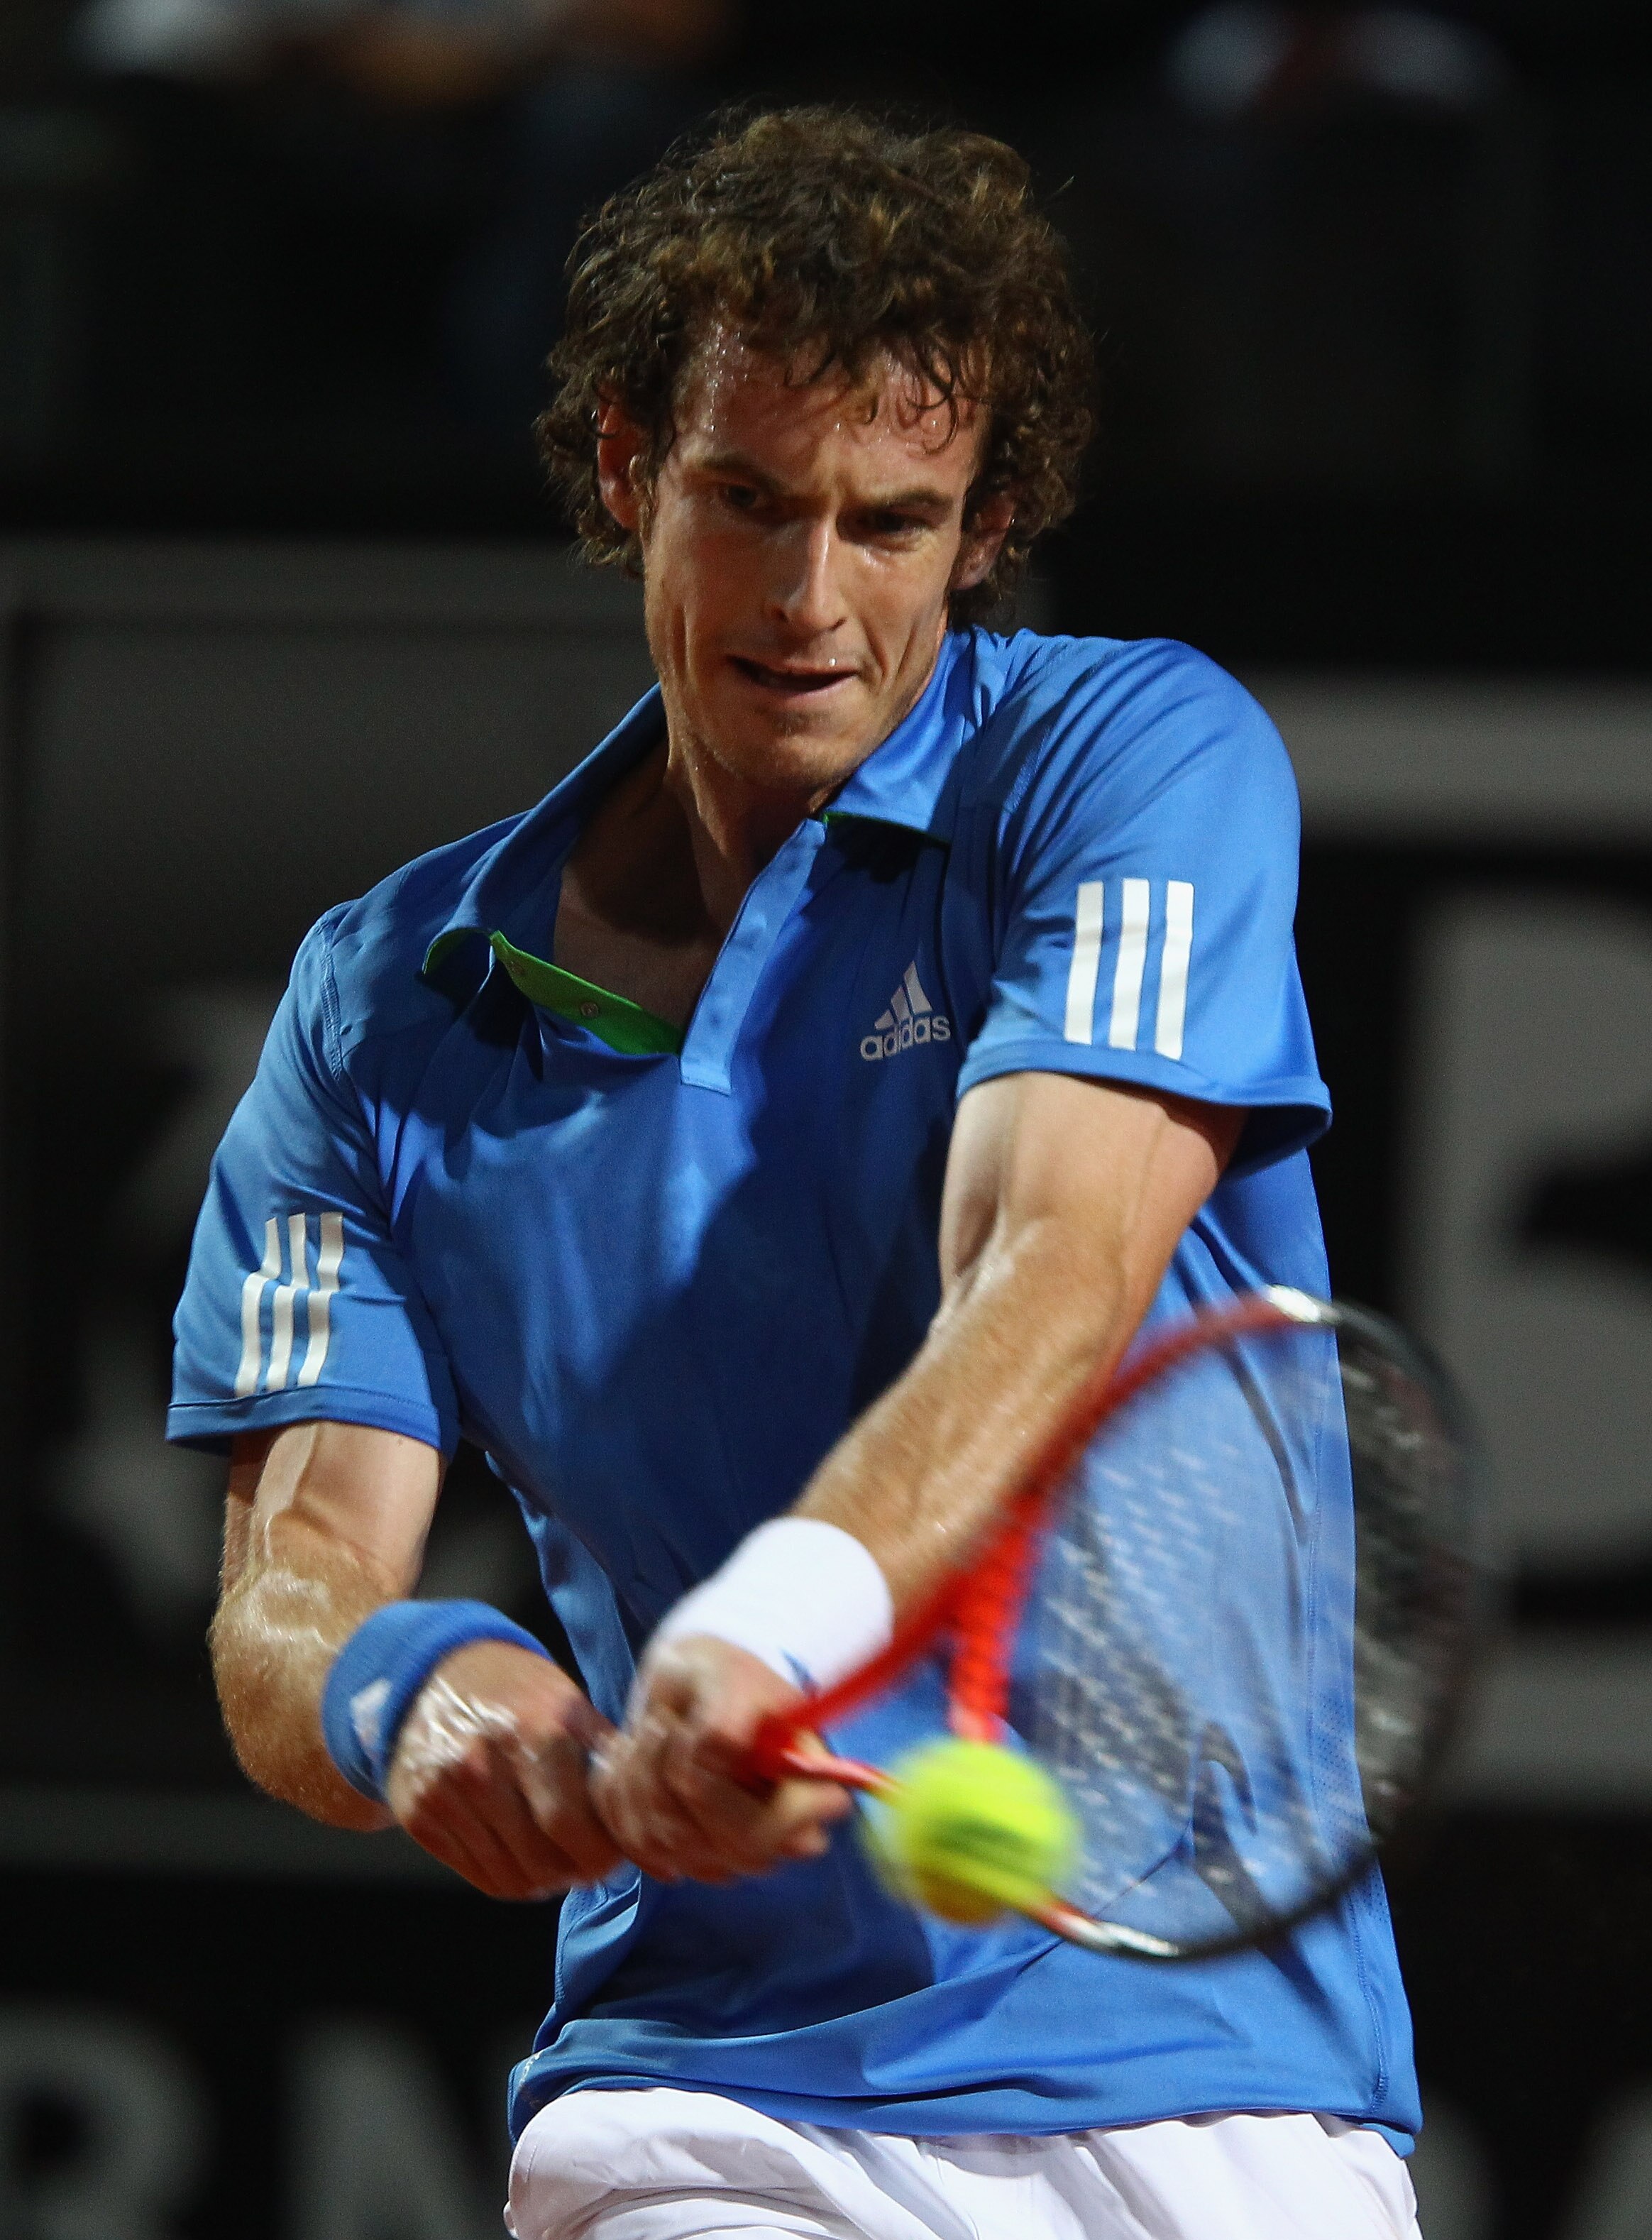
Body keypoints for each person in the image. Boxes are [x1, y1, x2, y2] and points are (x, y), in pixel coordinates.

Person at [171, 106, 1423, 2240]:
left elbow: (1051, 1266)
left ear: (985, 526)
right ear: (620, 468)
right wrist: (430, 1706)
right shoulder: (378, 1008)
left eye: (891, 521)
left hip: (1217, 2095)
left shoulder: (1129, 762)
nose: (809, 598)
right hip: (709, 2110)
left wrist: (771, 1623)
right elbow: (294, 1588)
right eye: (745, 502)